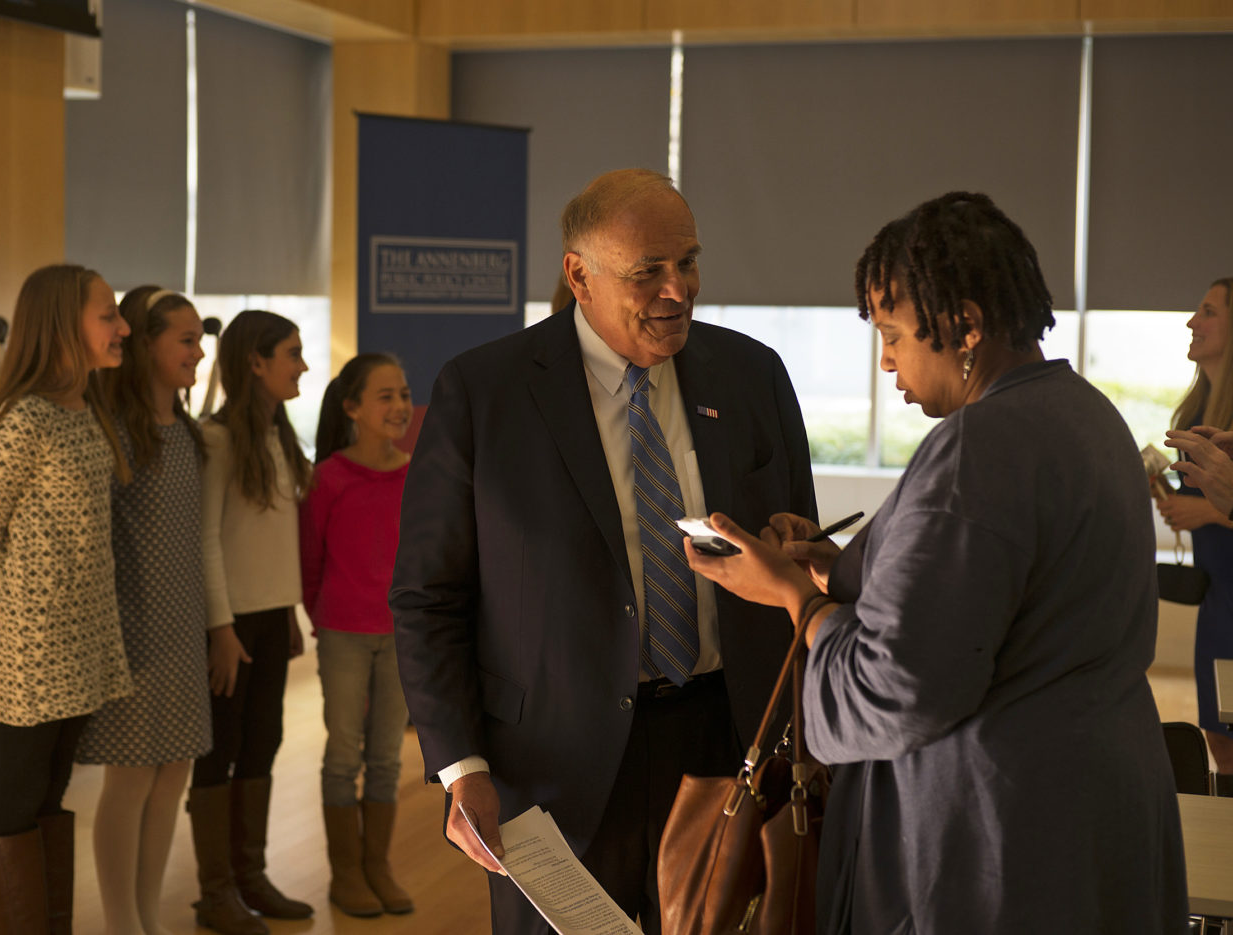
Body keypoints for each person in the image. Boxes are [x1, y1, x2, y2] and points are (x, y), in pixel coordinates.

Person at [685, 192, 1186, 934]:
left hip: (997, 837)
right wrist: (840, 566)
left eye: (891, 332)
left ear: (967, 325)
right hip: (1098, 808)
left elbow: (899, 688)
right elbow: (996, 594)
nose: (884, 358)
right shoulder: (1087, 414)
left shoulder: (976, 448)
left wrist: (796, 597)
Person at [390, 168, 817, 934]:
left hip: (732, 739)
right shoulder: (484, 392)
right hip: (554, 765)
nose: (677, 290)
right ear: (578, 275)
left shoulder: (752, 375)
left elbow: (801, 555)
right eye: (647, 272)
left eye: (687, 262)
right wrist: (461, 765)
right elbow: (429, 596)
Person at [0, 263, 134, 933]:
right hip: (33, 644)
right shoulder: (25, 417)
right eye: (108, 315)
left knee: (52, 792)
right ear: (64, 324)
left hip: (82, 634)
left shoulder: (85, 408)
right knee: (17, 795)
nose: (123, 328)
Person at [74, 286, 212, 935]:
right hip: (132, 631)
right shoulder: (113, 432)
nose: (198, 350)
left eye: (198, 338)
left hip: (182, 629)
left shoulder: (185, 431)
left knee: (173, 771)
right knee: (129, 778)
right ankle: (120, 921)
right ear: (146, 345)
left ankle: (149, 915)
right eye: (185, 339)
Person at [189, 309, 314, 935]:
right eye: (292, 353)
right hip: (230, 624)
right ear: (254, 362)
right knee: (221, 751)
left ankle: (250, 877)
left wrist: (287, 607)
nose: (304, 365)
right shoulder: (214, 439)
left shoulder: (278, 435)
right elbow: (207, 541)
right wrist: (220, 628)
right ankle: (215, 892)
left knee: (263, 743)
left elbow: (272, 536)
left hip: (268, 617)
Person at [300, 353, 414, 918]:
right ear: (352, 409)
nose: (399, 406)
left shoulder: (415, 473)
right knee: (344, 752)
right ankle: (346, 873)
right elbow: (310, 561)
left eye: (403, 394)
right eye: (384, 396)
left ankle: (378, 866)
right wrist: (321, 621)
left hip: (400, 638)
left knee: (388, 756)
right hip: (343, 632)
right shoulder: (328, 478)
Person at [1158, 277, 1233, 787]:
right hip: (1216, 597)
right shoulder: (1196, 413)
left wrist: (1208, 514)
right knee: (1220, 739)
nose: (1192, 322)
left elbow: (1215, 507)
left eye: (1207, 311)